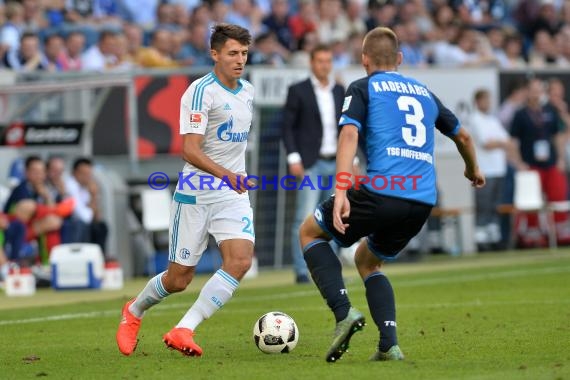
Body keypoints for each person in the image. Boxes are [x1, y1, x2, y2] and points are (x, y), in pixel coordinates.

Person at [298, 27, 485, 362]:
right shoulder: (425, 92)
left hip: (382, 192)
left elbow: (349, 136)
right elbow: (464, 138)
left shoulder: (362, 87)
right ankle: (389, 345)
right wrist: (472, 170)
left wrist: (341, 189)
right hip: (422, 202)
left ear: (364, 59)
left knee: (310, 233)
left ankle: (343, 314)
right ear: (399, 59)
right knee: (368, 260)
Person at [116, 23, 255, 357]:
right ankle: (133, 311)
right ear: (215, 54)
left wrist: (231, 179)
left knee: (240, 260)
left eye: (245, 54)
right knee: (179, 279)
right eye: (233, 53)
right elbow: (189, 150)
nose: (240, 60)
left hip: (231, 193)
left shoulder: (248, 91)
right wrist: (226, 175)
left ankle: (184, 328)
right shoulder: (199, 91)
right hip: (197, 192)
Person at [281, 44, 345, 284]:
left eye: (328, 61)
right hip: (311, 163)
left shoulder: (340, 91)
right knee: (304, 217)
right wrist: (293, 157)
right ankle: (300, 270)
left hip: (337, 163)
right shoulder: (298, 90)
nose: (324, 65)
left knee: (336, 217)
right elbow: (287, 127)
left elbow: (346, 129)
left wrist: (354, 159)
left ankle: (332, 271)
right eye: (320, 60)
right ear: (312, 63)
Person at [510, 78, 570, 246]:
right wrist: (519, 162)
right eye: (533, 90)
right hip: (531, 163)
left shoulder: (549, 110)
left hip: (550, 162)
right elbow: (514, 141)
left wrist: (560, 158)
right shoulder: (520, 114)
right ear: (527, 92)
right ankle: (531, 233)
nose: (536, 94)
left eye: (539, 90)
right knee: (531, 200)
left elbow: (557, 136)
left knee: (558, 195)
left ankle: (560, 230)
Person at [468, 89, 513, 252]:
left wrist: (499, 142)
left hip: (498, 169)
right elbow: (486, 143)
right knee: (483, 205)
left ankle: (493, 237)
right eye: (485, 100)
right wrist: (500, 143)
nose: (488, 103)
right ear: (477, 101)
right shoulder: (475, 119)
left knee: (495, 206)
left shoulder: (493, 120)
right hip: (484, 170)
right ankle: (481, 239)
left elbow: (507, 140)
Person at [65, 158, 108, 253]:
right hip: (71, 222)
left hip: (82, 221)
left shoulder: (85, 188)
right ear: (75, 173)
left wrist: (94, 196)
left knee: (101, 226)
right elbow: (84, 217)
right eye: (84, 174)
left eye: (89, 174)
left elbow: (96, 217)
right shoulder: (70, 186)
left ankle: (99, 257)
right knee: (83, 225)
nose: (87, 177)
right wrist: (93, 197)